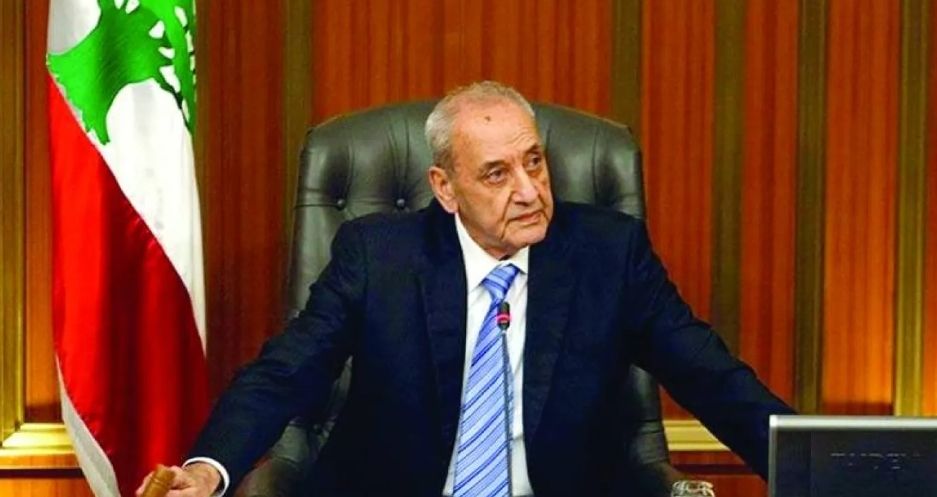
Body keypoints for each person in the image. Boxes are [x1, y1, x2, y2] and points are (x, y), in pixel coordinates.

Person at [138, 81, 794, 497]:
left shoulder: (606, 253)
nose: (530, 191)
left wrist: (816, 469)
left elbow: (710, 375)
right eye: (497, 174)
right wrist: (207, 469)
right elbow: (286, 370)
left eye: (534, 162)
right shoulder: (379, 256)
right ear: (445, 188)